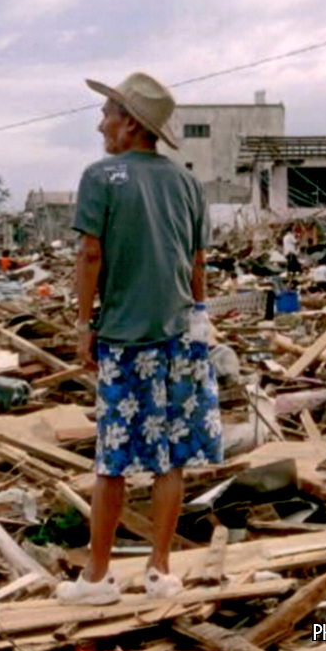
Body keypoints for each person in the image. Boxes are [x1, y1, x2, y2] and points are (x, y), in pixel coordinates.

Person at [58, 72, 222, 606]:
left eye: (107, 114)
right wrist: (198, 320)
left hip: (125, 340)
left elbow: (89, 255)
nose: (100, 124)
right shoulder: (188, 184)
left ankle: (98, 578)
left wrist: (84, 324)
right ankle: (160, 571)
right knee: (169, 458)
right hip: (179, 336)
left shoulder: (101, 178)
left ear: (129, 123)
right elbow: (197, 266)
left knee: (113, 460)